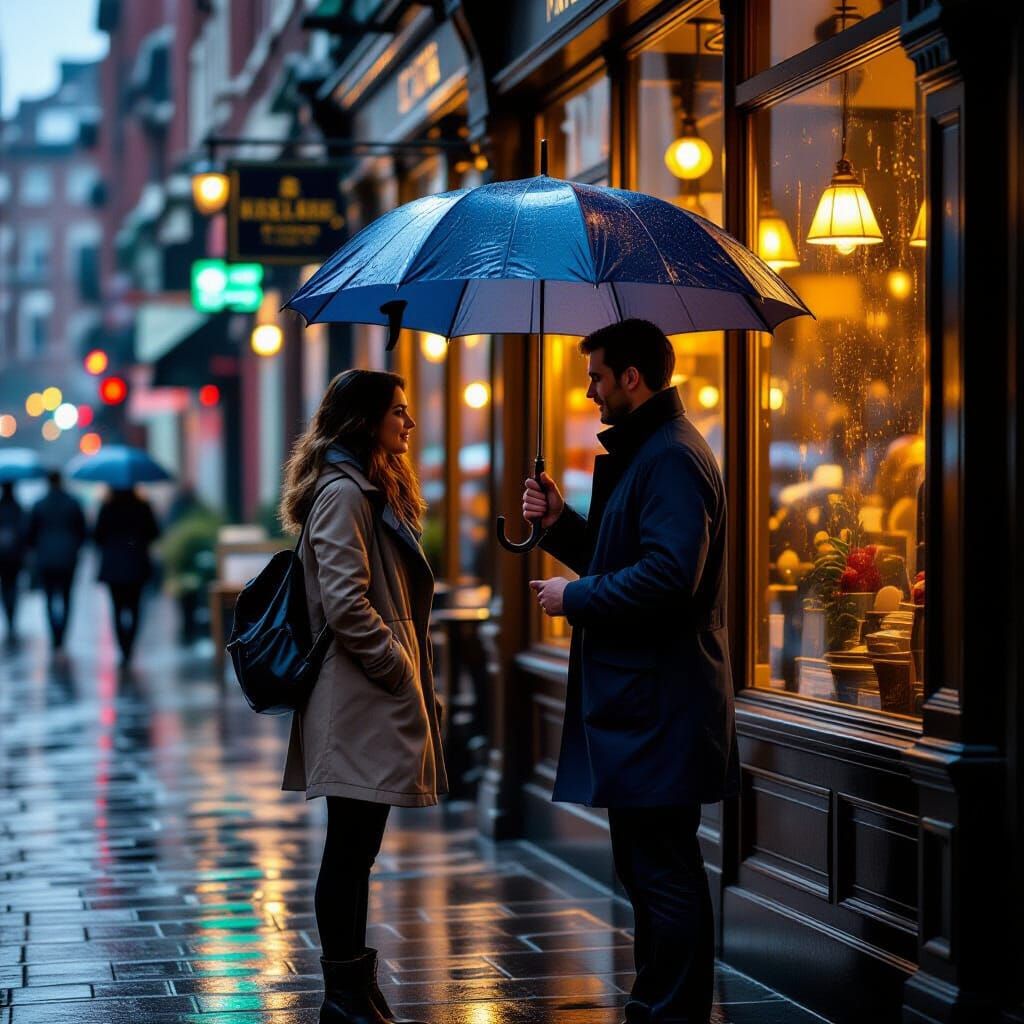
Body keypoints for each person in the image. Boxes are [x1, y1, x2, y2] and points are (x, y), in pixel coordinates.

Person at [522, 319, 739, 1024]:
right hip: (646, 703)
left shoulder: (671, 457)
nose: (589, 392)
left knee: (663, 870)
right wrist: (560, 524)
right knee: (649, 870)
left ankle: (671, 1012)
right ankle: (657, 1005)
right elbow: (629, 559)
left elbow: (671, 576)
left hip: (661, 705)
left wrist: (574, 598)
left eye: (596, 377)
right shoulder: (651, 451)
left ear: (632, 379)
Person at [280, 368, 445, 1024]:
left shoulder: (366, 487)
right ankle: (343, 994)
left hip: (365, 694)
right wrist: (398, 670)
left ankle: (352, 988)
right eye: (398, 411)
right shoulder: (344, 494)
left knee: (356, 848)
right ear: (366, 419)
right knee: (349, 848)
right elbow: (346, 604)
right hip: (358, 695)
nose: (407, 421)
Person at [93, 486, 160, 665]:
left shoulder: (106, 507)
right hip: (136, 565)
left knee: (117, 608)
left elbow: (97, 536)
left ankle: (124, 647)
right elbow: (154, 532)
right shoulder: (142, 506)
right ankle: (129, 645)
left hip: (114, 567)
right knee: (135, 607)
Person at [28, 470, 87, 651]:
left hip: (46, 558)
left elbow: (30, 533)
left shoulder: (39, 504)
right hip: (67, 558)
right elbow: (82, 531)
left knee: (49, 597)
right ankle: (63, 635)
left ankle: (55, 635)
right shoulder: (73, 503)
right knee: (67, 597)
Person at [0, 482, 28, 642]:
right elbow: (25, 532)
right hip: (15, 555)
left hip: (2, 555)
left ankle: (8, 614)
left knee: (5, 585)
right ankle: (12, 616)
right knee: (14, 585)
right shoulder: (18, 508)